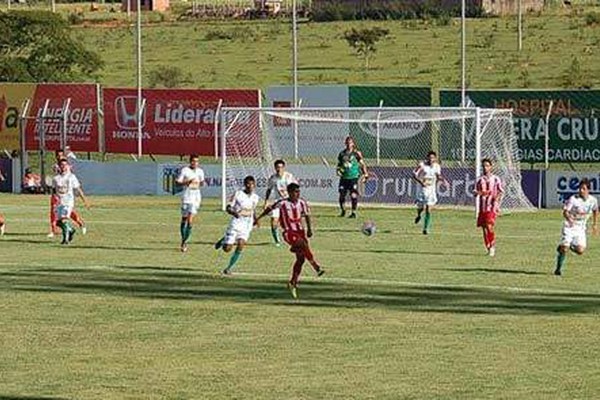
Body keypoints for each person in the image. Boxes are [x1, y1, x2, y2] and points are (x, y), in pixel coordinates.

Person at [256, 182, 325, 299]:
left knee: (301, 259)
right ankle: (316, 267)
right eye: (295, 192)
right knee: (302, 244)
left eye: (298, 192)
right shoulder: (282, 203)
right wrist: (258, 218)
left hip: (300, 231)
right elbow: (269, 209)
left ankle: (292, 283)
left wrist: (309, 229)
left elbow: (307, 215)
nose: (297, 194)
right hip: (288, 232)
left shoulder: (302, 202)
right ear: (289, 193)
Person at [214, 176, 260, 275]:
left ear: (254, 185)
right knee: (227, 249)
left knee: (241, 245)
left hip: (247, 225)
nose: (250, 186)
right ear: (245, 184)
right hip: (236, 224)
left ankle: (229, 268)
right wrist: (234, 213)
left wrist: (256, 220)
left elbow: (253, 209)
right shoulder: (238, 194)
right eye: (248, 184)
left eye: (252, 184)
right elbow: (228, 207)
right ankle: (223, 240)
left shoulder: (256, 197)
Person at [554, 178, 598, 276]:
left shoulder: (593, 200)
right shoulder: (573, 199)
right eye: (580, 188)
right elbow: (565, 211)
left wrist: (595, 224)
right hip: (569, 226)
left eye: (583, 189)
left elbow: (595, 210)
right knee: (565, 248)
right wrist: (569, 218)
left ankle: (563, 247)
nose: (581, 190)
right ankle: (558, 269)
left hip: (581, 228)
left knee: (580, 251)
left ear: (588, 190)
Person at [52, 158, 89, 245]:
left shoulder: (71, 177)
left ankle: (65, 240)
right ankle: (71, 230)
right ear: (59, 166)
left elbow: (78, 189)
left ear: (68, 166)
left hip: (68, 202)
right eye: (62, 165)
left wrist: (85, 200)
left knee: (64, 220)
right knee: (58, 222)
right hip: (60, 202)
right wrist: (55, 201)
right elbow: (54, 191)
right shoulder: (56, 178)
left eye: (65, 165)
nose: (63, 167)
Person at [473, 158, 503, 257]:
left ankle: (492, 246)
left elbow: (500, 191)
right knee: (484, 228)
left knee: (489, 226)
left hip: (492, 207)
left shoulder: (496, 179)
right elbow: (475, 192)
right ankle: (488, 246)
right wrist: (478, 193)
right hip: (483, 207)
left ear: (491, 167)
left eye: (487, 165)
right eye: (484, 166)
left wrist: (497, 198)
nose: (485, 168)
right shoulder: (479, 179)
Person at [413, 151, 448, 235]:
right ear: (427, 158)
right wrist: (421, 182)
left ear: (435, 159)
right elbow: (414, 174)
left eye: (433, 158)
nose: (431, 159)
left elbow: (438, 175)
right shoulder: (422, 165)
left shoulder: (437, 166)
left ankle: (425, 228)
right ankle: (419, 215)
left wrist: (443, 180)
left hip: (431, 190)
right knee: (421, 208)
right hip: (422, 189)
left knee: (428, 209)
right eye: (429, 157)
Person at [175, 154, 205, 253]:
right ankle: (183, 240)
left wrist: (201, 183)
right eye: (193, 161)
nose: (195, 163)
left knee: (190, 220)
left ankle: (184, 242)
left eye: (197, 161)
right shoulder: (185, 170)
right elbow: (177, 182)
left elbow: (202, 182)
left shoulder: (200, 171)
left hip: (196, 197)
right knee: (184, 219)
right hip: (187, 196)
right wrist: (186, 182)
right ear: (190, 161)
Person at [264, 159, 296, 246]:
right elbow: (269, 190)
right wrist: (266, 201)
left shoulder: (289, 177)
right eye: (277, 167)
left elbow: (296, 188)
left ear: (284, 168)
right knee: (274, 221)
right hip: (277, 202)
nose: (279, 169)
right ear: (275, 168)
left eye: (281, 167)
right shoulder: (273, 178)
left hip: (288, 203)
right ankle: (277, 241)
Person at [336, 136, 368, 218]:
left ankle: (353, 212)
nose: (348, 144)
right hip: (344, 178)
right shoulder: (342, 154)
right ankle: (343, 210)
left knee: (353, 194)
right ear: (345, 143)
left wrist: (365, 174)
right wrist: (338, 171)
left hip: (353, 178)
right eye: (347, 143)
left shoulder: (356, 153)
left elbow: (362, 164)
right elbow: (339, 165)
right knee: (342, 195)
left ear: (353, 144)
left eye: (350, 143)